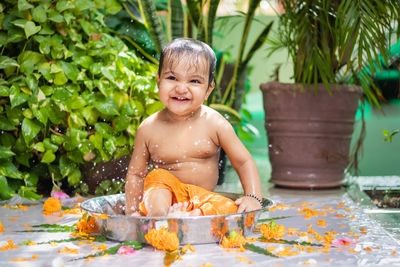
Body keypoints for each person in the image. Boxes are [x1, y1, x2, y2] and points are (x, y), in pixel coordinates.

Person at [125, 38, 262, 217]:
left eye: (194, 81)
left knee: (228, 207)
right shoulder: (149, 128)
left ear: (208, 90)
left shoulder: (215, 124)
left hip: (201, 200)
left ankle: (189, 216)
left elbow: (243, 162)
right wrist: (132, 211)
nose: (181, 88)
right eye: (172, 78)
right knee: (157, 180)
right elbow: (136, 174)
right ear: (158, 81)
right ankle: (161, 216)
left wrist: (253, 197)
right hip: (164, 196)